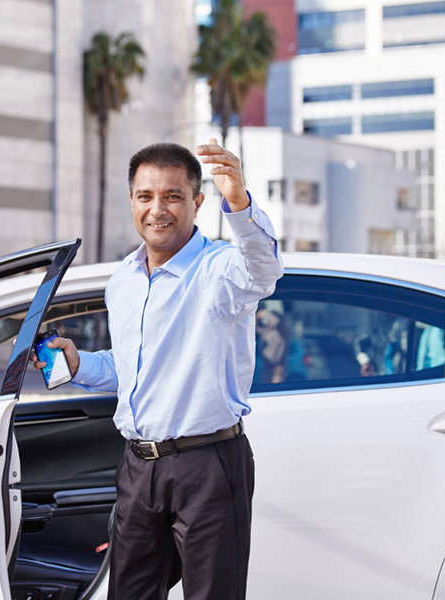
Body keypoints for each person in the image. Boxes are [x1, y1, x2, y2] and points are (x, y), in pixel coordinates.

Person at [32, 140, 283, 600]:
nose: (157, 209)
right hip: (137, 467)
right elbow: (129, 365)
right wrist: (78, 363)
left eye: (173, 196)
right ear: (132, 201)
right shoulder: (122, 279)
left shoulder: (221, 270)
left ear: (197, 202)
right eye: (146, 196)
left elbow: (263, 271)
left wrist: (240, 202)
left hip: (207, 465)